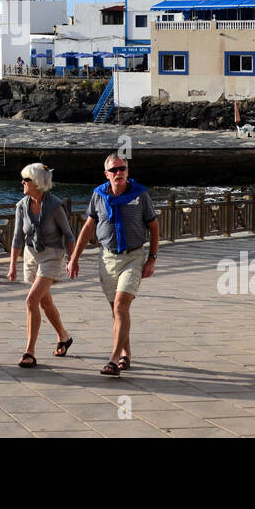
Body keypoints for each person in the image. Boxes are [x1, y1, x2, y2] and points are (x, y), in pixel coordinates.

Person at [65, 153, 158, 376]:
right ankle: (126, 353)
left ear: (127, 171)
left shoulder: (140, 194)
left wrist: (152, 259)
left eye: (122, 169)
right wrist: (74, 258)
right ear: (107, 174)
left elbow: (154, 225)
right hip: (107, 258)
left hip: (134, 256)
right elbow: (88, 227)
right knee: (116, 310)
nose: (119, 173)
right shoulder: (98, 195)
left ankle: (114, 360)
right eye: (114, 170)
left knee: (120, 306)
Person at [8, 163, 75, 368]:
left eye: (26, 180)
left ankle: (30, 351)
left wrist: (72, 260)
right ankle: (64, 337)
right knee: (45, 303)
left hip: (52, 256)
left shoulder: (55, 206)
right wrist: (12, 266)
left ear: (37, 183)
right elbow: (17, 237)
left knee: (31, 300)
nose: (22, 183)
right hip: (31, 256)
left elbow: (69, 235)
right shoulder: (22, 205)